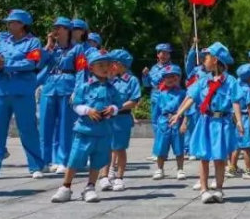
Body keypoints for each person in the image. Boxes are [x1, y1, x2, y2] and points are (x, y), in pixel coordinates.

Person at [169, 42, 243, 204]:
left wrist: (238, 121)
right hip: (206, 121)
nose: (204, 61)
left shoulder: (230, 81)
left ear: (215, 60)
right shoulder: (203, 81)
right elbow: (190, 97)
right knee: (204, 157)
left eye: (206, 57)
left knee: (220, 158)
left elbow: (235, 101)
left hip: (222, 122)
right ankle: (204, 189)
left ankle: (219, 189)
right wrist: (178, 114)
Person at [0, 9, 46, 181]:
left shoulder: (33, 42)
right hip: (1, 91)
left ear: (22, 24)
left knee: (28, 129)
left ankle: (36, 166)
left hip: (22, 91)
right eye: (8, 23)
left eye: (12, 22)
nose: (9, 25)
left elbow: (31, 63)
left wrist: (6, 65)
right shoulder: (2, 43)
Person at [50, 49, 122, 203]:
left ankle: (90, 187)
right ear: (91, 68)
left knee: (97, 160)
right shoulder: (84, 87)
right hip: (84, 131)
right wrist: (88, 111)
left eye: (107, 65)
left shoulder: (112, 88)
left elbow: (118, 105)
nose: (104, 68)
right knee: (74, 159)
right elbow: (75, 104)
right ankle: (66, 187)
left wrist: (113, 109)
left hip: (103, 131)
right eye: (100, 64)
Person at [38, 16, 79, 174]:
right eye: (55, 27)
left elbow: (82, 71)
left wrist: (77, 90)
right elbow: (38, 63)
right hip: (49, 86)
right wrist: (48, 45)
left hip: (68, 85)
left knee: (65, 126)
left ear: (68, 30)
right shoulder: (51, 49)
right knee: (45, 125)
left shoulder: (77, 49)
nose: (56, 30)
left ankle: (63, 160)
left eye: (59, 28)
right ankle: (45, 160)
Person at [97, 50, 141, 192]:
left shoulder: (131, 80)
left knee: (119, 148)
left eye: (112, 63)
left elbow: (134, 101)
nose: (109, 66)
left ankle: (119, 178)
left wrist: (117, 108)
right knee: (105, 148)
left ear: (120, 65)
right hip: (107, 118)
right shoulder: (107, 79)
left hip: (122, 118)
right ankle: (104, 176)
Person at [150, 64, 187, 181]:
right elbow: (156, 112)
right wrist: (156, 126)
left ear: (178, 78)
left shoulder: (182, 94)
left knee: (179, 147)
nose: (170, 80)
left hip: (177, 121)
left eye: (173, 77)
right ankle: (160, 169)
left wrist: (184, 123)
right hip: (163, 122)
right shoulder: (161, 94)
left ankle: (180, 169)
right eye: (167, 77)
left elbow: (187, 110)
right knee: (161, 147)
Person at [142, 42, 174, 161]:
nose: (164, 55)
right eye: (162, 53)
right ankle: (157, 151)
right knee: (155, 124)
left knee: (164, 125)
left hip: (167, 97)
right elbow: (146, 84)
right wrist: (145, 75)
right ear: (158, 54)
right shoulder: (154, 68)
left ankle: (162, 152)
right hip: (155, 97)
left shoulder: (172, 68)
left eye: (166, 53)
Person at [229, 64, 250, 179]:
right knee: (247, 146)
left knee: (237, 145)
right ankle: (249, 169)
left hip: (236, 118)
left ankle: (232, 167)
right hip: (246, 118)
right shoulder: (248, 89)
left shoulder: (236, 86)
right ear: (248, 77)